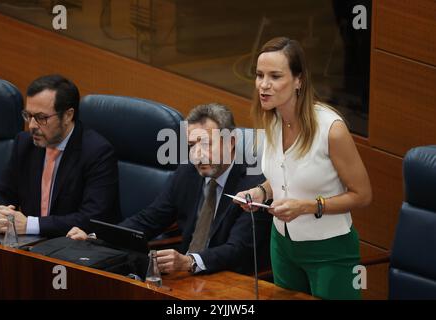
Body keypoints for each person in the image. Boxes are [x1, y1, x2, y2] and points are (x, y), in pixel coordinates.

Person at [235, 37, 372, 299]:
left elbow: (362, 195)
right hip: (283, 247)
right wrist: (261, 193)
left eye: (275, 76)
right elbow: (282, 178)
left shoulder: (331, 130)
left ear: (299, 80)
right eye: (259, 75)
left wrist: (307, 207)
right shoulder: (272, 120)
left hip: (330, 250)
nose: (264, 85)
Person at [68, 103, 272, 275]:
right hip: (185, 278)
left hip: (231, 280)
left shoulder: (255, 185)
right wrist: (97, 238)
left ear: (231, 143)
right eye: (192, 145)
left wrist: (190, 262)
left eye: (206, 144)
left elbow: (238, 249)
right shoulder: (188, 172)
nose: (197, 155)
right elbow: (150, 219)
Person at [0, 74, 120, 237]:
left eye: (42, 118)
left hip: (71, 248)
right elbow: (0, 192)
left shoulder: (97, 152)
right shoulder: (25, 142)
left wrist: (30, 225)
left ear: (68, 115)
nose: (32, 125)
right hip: (28, 244)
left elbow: (92, 218)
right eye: (29, 115)